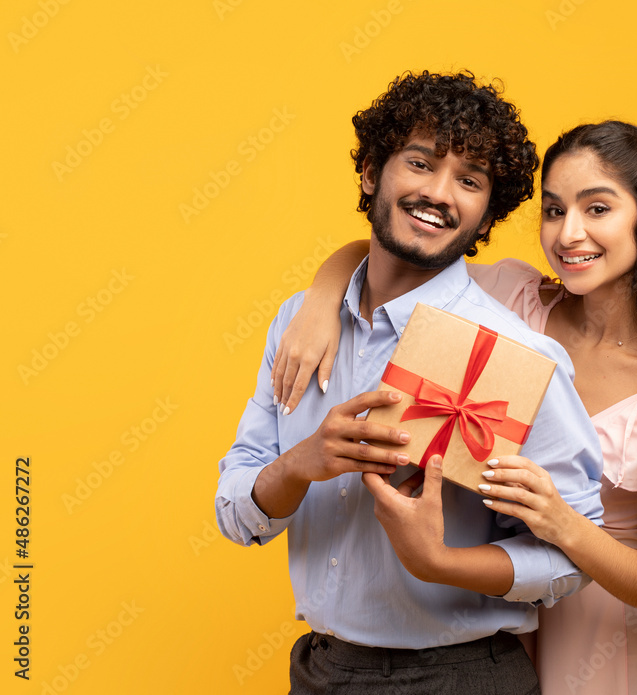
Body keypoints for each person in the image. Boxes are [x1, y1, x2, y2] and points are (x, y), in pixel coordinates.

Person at [273, 121, 637, 694]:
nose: (570, 234)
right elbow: (397, 247)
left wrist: (564, 526)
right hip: (495, 636)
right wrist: (318, 304)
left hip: (607, 649)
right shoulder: (513, 302)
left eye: (597, 209)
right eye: (555, 210)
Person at [215, 71, 605, 695]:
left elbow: (570, 558)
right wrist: (301, 464)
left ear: (484, 219)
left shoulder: (512, 354)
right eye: (420, 162)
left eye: (470, 181)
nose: (439, 193)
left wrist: (441, 562)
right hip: (318, 669)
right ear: (372, 173)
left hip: (461, 676)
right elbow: (235, 514)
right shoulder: (300, 322)